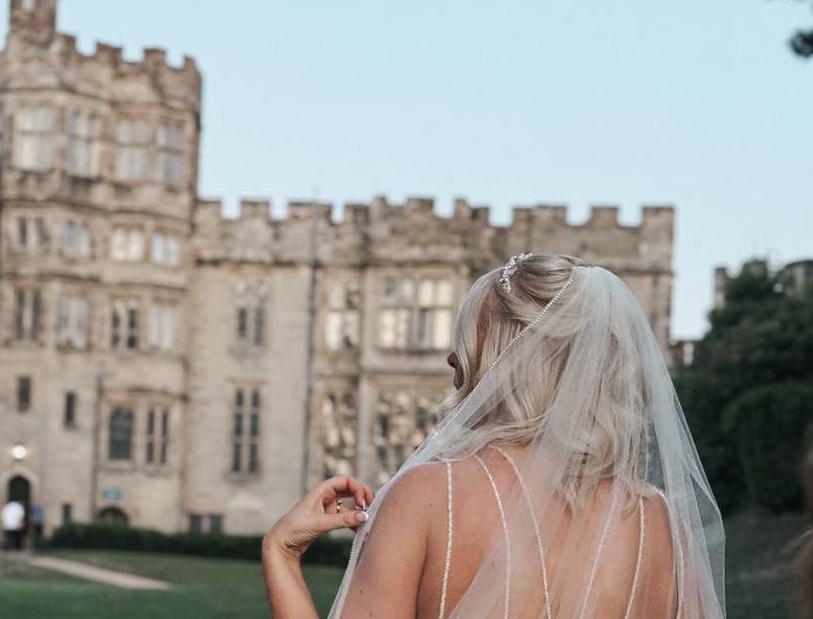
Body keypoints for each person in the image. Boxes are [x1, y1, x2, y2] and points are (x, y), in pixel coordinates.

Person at [264, 253, 726, 618]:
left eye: (470, 341)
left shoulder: (428, 496)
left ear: (509, 359)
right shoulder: (661, 525)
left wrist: (281, 555)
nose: (454, 360)